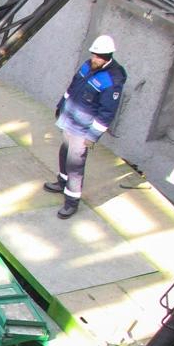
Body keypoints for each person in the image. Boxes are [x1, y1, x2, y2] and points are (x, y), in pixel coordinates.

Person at [42, 34, 127, 219]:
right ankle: (62, 182)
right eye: (94, 54)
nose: (94, 58)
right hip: (69, 120)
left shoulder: (112, 80)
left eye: (99, 56)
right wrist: (60, 106)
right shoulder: (87, 66)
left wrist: (92, 136)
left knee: (75, 165)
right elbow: (73, 87)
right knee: (64, 153)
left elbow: (107, 112)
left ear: (107, 56)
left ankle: (71, 202)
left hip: (82, 129)